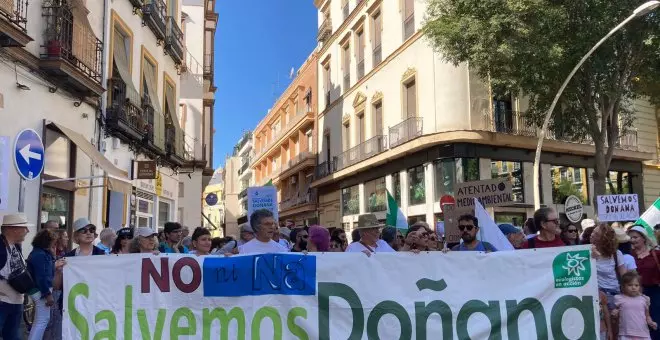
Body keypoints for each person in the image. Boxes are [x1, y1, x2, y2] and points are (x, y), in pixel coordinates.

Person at [26, 229, 65, 340]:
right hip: (40, 290)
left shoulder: (38, 253)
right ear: (48, 241)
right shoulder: (41, 255)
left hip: (37, 289)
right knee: (42, 320)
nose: (55, 244)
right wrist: (48, 295)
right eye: (54, 241)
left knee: (41, 320)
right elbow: (42, 277)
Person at [0, 213, 31, 340]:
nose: (27, 231)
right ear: (13, 229)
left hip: (16, 302)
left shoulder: (16, 246)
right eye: (25, 228)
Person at [628, 225, 660, 339]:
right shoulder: (629, 256)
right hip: (635, 293)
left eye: (635, 237)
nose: (632, 240)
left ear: (643, 238)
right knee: (639, 323)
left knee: (655, 322)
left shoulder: (656, 254)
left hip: (655, 293)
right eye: (630, 237)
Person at [591, 223, 627, 313]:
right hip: (596, 294)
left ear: (603, 239)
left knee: (614, 322)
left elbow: (624, 277)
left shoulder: (616, 254)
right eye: (592, 232)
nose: (592, 235)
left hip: (613, 292)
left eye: (596, 234)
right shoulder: (587, 252)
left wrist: (629, 295)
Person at [613, 272, 658, 339]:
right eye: (630, 285)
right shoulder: (619, 298)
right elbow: (616, 317)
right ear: (623, 286)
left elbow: (647, 315)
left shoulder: (644, 299)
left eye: (636, 285)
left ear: (640, 286)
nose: (633, 287)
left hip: (643, 333)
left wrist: (651, 322)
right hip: (626, 333)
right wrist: (614, 315)